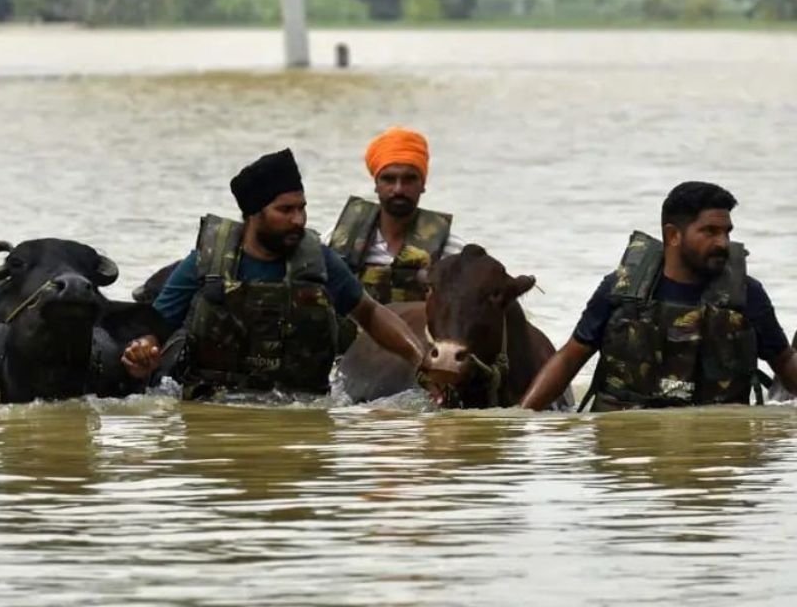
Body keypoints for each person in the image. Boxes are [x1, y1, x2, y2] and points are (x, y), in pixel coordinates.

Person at [120, 148, 426, 399]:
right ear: (254, 213)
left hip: (300, 403)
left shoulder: (318, 259)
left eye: (302, 208)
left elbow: (370, 313)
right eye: (286, 210)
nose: (299, 220)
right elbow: (154, 326)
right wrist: (141, 352)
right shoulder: (206, 260)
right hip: (214, 404)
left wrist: (419, 358)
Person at [521, 181, 797, 411]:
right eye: (709, 232)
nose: (723, 243)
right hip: (630, 450)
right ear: (673, 235)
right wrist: (521, 418)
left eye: (727, 232)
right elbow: (571, 357)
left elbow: (784, 362)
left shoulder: (748, 294)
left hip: (716, 453)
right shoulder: (621, 289)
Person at [326, 126, 463, 305]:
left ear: (423, 185)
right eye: (389, 179)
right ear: (376, 184)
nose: (398, 189)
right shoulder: (336, 242)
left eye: (409, 179)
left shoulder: (452, 251)